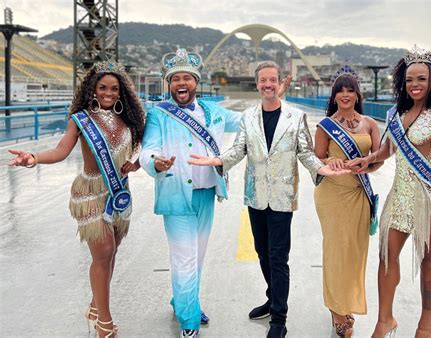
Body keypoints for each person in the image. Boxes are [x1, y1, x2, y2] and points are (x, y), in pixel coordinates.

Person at [188, 61, 349, 338]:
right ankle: (271, 296)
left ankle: (279, 318)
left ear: (278, 83)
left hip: (282, 198)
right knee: (263, 253)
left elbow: (306, 152)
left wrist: (320, 168)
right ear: (258, 84)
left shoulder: (295, 117)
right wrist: (217, 160)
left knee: (278, 258)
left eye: (272, 80)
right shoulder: (249, 117)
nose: (268, 85)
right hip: (256, 196)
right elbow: (239, 150)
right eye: (263, 81)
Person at [139, 49, 290, 338]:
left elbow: (250, 118)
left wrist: (273, 96)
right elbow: (148, 148)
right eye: (175, 79)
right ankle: (189, 321)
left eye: (187, 78)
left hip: (206, 193)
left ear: (196, 83)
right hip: (175, 195)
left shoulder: (213, 112)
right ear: (169, 84)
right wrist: (155, 161)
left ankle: (184, 301)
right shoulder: (159, 115)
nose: (181, 83)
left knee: (196, 257)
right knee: (184, 258)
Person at [8, 61, 145, 337]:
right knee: (104, 252)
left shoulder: (130, 119)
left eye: (114, 88)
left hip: (118, 192)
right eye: (103, 87)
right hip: (90, 192)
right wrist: (33, 158)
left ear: (122, 92)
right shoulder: (81, 119)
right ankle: (104, 322)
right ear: (92, 90)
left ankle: (96, 303)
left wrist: (137, 163)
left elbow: (139, 154)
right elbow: (60, 151)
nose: (108, 93)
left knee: (112, 252)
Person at [347, 46, 431, 338]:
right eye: (409, 79)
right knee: (387, 258)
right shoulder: (397, 113)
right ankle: (385, 320)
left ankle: (426, 323)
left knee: (430, 263)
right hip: (399, 195)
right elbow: (388, 149)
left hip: (429, 199)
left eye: (421, 79)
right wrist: (369, 159)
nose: (414, 85)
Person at [313, 68, 382, 337]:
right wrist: (333, 161)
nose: (345, 94)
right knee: (335, 251)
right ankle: (337, 309)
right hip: (332, 195)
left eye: (350, 89)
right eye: (340, 90)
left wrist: (367, 166)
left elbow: (378, 159)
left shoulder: (370, 124)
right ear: (334, 96)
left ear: (357, 94)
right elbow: (317, 159)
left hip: (359, 195)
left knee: (354, 253)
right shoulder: (325, 125)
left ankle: (346, 301)